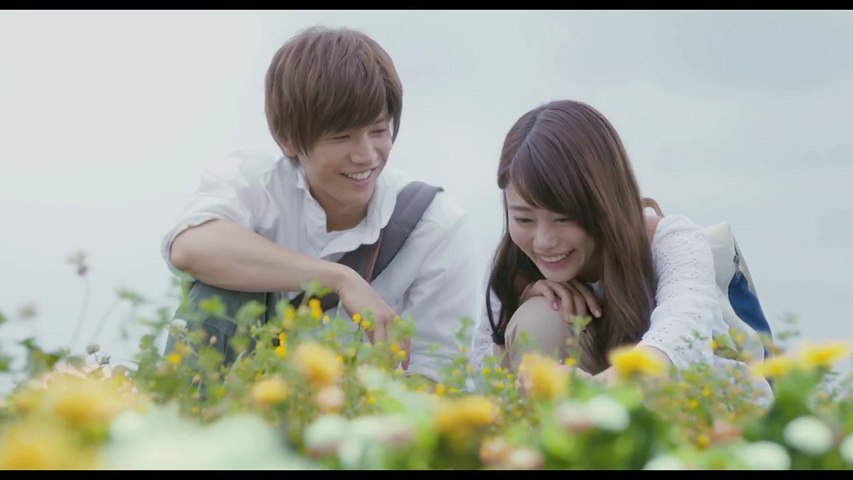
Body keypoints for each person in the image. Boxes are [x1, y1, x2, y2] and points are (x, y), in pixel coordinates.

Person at [161, 25, 479, 382]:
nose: (366, 155)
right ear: (287, 139)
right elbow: (189, 248)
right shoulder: (256, 182)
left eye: (378, 131)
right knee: (217, 290)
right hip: (239, 405)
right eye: (341, 137)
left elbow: (439, 372)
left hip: (364, 411)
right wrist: (339, 278)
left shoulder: (435, 226)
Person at [470, 99, 771, 396]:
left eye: (564, 218)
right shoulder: (513, 262)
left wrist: (596, 391)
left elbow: (681, 337)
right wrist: (517, 303)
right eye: (523, 218)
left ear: (603, 201)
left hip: (699, 408)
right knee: (540, 317)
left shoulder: (673, 241)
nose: (543, 241)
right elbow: (484, 381)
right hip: (580, 413)